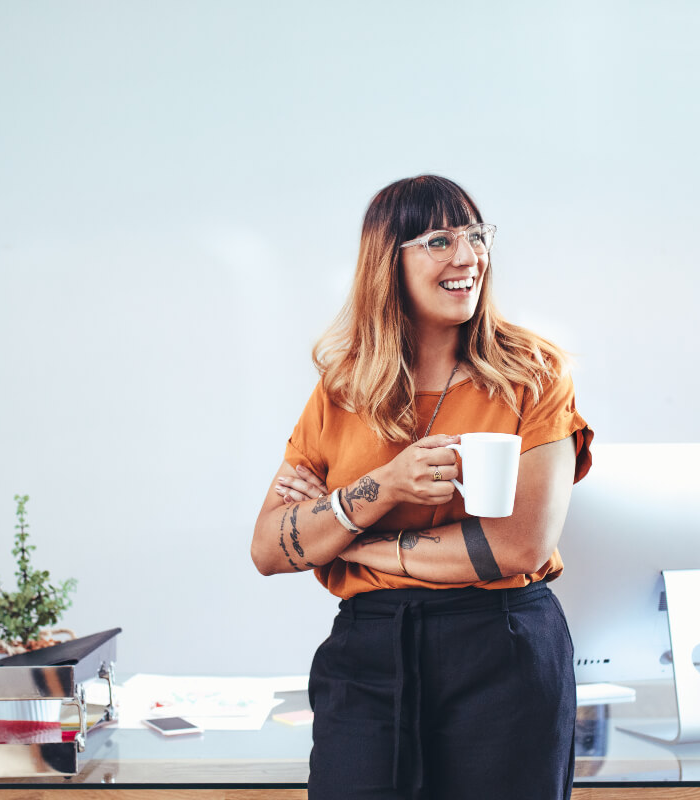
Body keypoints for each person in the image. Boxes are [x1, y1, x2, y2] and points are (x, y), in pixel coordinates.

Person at [250, 175, 593, 800]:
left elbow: (518, 546)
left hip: (504, 652)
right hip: (369, 658)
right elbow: (270, 549)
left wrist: (342, 536)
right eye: (439, 240)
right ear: (390, 263)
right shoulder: (342, 391)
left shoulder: (534, 376)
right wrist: (381, 487)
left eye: (476, 236)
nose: (468, 258)